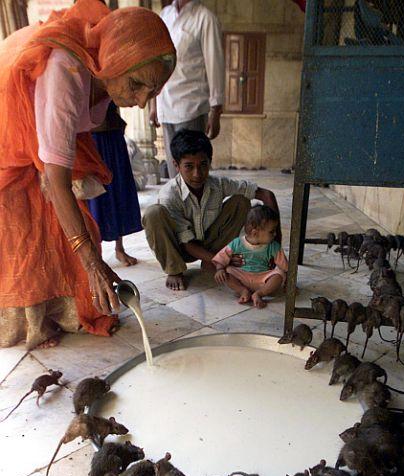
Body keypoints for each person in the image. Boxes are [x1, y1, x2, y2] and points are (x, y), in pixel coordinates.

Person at [0, 0, 176, 349]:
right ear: (113, 61)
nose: (142, 101)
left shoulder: (100, 72)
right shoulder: (65, 73)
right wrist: (93, 265)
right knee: (22, 225)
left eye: (152, 92)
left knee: (58, 223)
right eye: (137, 84)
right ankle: (28, 323)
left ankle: (62, 311)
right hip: (9, 128)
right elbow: (55, 180)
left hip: (36, 134)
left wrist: (94, 261)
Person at [142, 129, 280, 291]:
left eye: (203, 165)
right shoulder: (169, 195)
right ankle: (174, 270)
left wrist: (276, 241)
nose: (197, 174)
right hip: (179, 248)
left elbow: (266, 194)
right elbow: (187, 244)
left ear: (210, 161)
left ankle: (209, 261)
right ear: (176, 165)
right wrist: (222, 260)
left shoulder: (217, 184)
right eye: (189, 166)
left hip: (208, 243)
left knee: (241, 201)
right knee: (153, 213)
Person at [149, 0, 224, 178]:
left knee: (193, 172)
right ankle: (177, 206)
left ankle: (197, 206)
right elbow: (155, 61)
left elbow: (215, 64)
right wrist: (153, 103)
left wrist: (216, 109)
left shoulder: (205, 18)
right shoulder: (165, 15)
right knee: (174, 169)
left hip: (192, 107)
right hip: (165, 104)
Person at [88, 102, 142, 267]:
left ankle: (120, 248)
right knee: (93, 194)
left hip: (112, 132)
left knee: (118, 189)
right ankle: (95, 254)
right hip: (91, 135)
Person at [212, 205, 288, 309]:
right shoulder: (237, 243)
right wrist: (219, 269)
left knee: (279, 275)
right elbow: (221, 257)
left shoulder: (273, 246)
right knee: (227, 272)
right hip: (242, 277)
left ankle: (259, 294)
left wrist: (290, 281)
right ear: (255, 233)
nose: (275, 234)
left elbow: (285, 266)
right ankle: (243, 291)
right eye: (271, 231)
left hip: (263, 278)